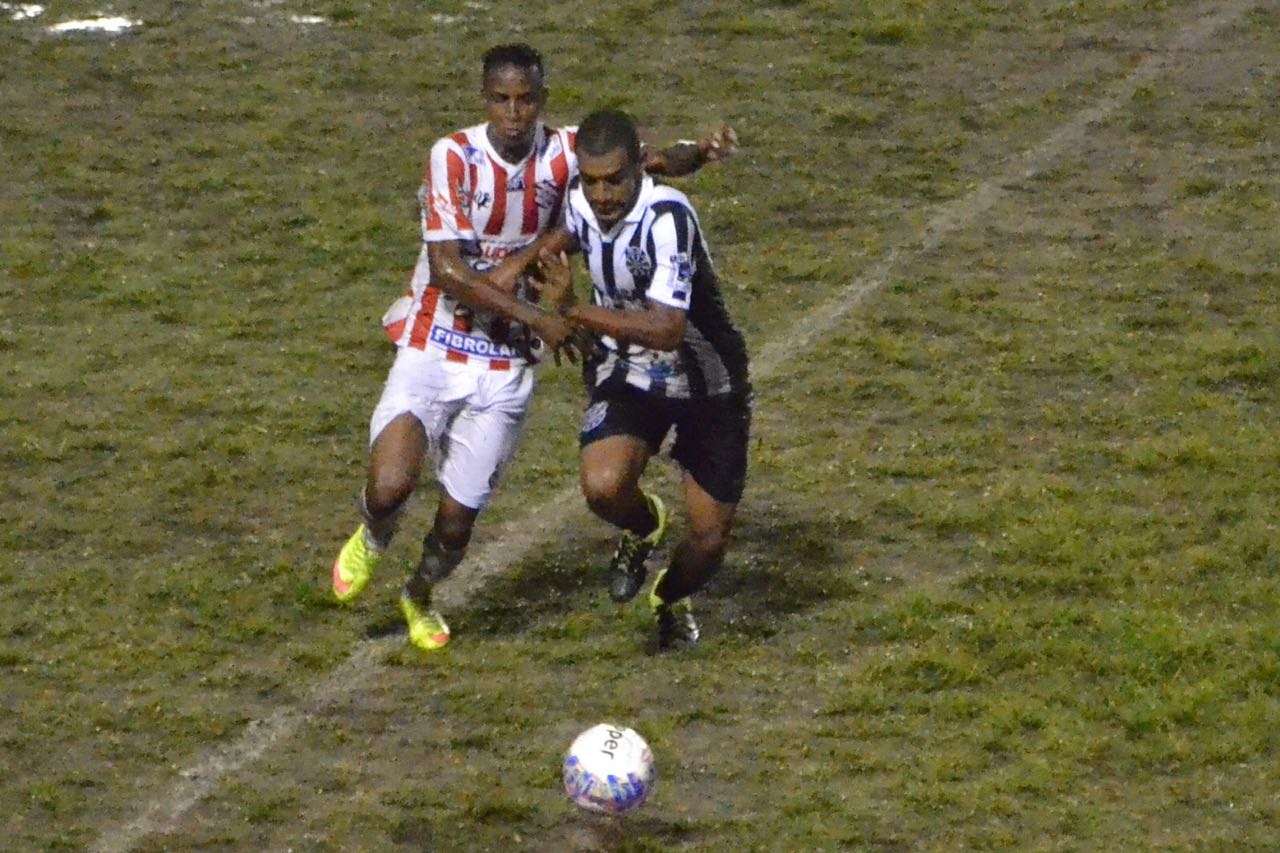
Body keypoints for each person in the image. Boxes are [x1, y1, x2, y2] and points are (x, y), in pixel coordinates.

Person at [330, 43, 737, 652]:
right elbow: (447, 270)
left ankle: (418, 595)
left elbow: (648, 162)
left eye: (526, 100)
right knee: (391, 483)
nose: (514, 113)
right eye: (502, 100)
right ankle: (373, 533)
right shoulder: (454, 156)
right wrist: (543, 316)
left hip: (505, 364)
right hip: (435, 340)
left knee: (457, 522)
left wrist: (698, 154)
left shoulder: (565, 152)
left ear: (542, 102)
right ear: (484, 100)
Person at [528, 108, 752, 651]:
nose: (602, 195)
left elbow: (667, 328)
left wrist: (574, 313)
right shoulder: (583, 202)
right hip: (629, 372)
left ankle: (670, 597)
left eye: (614, 181)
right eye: (591, 181)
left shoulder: (667, 219)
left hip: (708, 385)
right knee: (603, 489)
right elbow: (557, 244)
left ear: (638, 171)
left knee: (708, 537)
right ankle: (644, 524)